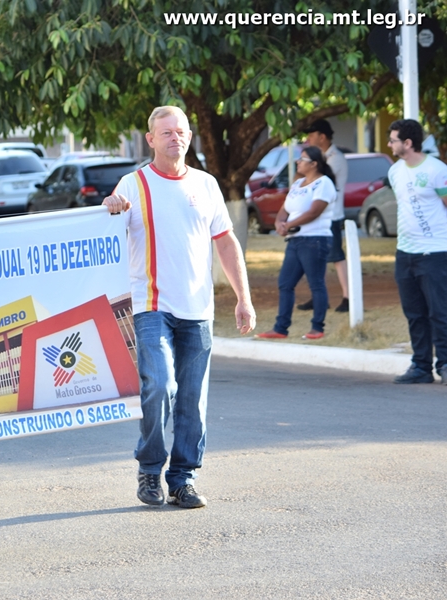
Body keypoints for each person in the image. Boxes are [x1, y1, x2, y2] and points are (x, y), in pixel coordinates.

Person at [103, 106, 255, 509]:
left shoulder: (205, 185)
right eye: (166, 132)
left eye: (182, 131)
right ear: (150, 139)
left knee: (192, 398)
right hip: (151, 305)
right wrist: (112, 208)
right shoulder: (133, 184)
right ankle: (150, 470)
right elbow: (107, 222)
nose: (176, 138)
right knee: (159, 385)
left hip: (198, 309)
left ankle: (183, 478)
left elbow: (225, 241)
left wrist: (244, 298)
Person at [386, 119, 447, 385]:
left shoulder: (437, 170)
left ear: (408, 143)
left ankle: (444, 364)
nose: (389, 144)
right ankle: (421, 366)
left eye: (393, 140)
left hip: (435, 253)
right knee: (414, 313)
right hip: (405, 253)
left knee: (440, 312)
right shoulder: (395, 171)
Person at [256, 145, 337, 341]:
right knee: (285, 283)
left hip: (315, 240)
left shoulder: (323, 184)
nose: (298, 162)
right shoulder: (298, 183)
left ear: (315, 164)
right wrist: (279, 223)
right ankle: (280, 328)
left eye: (303, 159)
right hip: (294, 240)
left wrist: (289, 224)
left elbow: (314, 212)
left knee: (316, 284)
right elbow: (285, 208)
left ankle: (317, 328)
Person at [298, 119, 349, 313]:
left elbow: (314, 179)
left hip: (331, 215)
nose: (309, 139)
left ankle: (347, 296)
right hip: (319, 215)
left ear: (322, 137)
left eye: (312, 135)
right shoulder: (322, 157)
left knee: (337, 257)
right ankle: (318, 296)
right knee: (316, 258)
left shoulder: (334, 158)